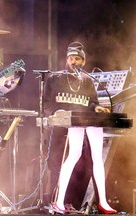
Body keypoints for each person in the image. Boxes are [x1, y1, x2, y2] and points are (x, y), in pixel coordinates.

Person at [43, 41, 117, 214]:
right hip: (66, 124)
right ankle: (59, 202)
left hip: (84, 121)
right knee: (69, 158)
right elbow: (46, 103)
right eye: (70, 58)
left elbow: (92, 103)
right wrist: (56, 113)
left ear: (83, 62)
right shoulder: (55, 78)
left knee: (97, 158)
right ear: (66, 60)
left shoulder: (87, 80)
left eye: (77, 59)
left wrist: (96, 108)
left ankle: (103, 202)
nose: (73, 61)